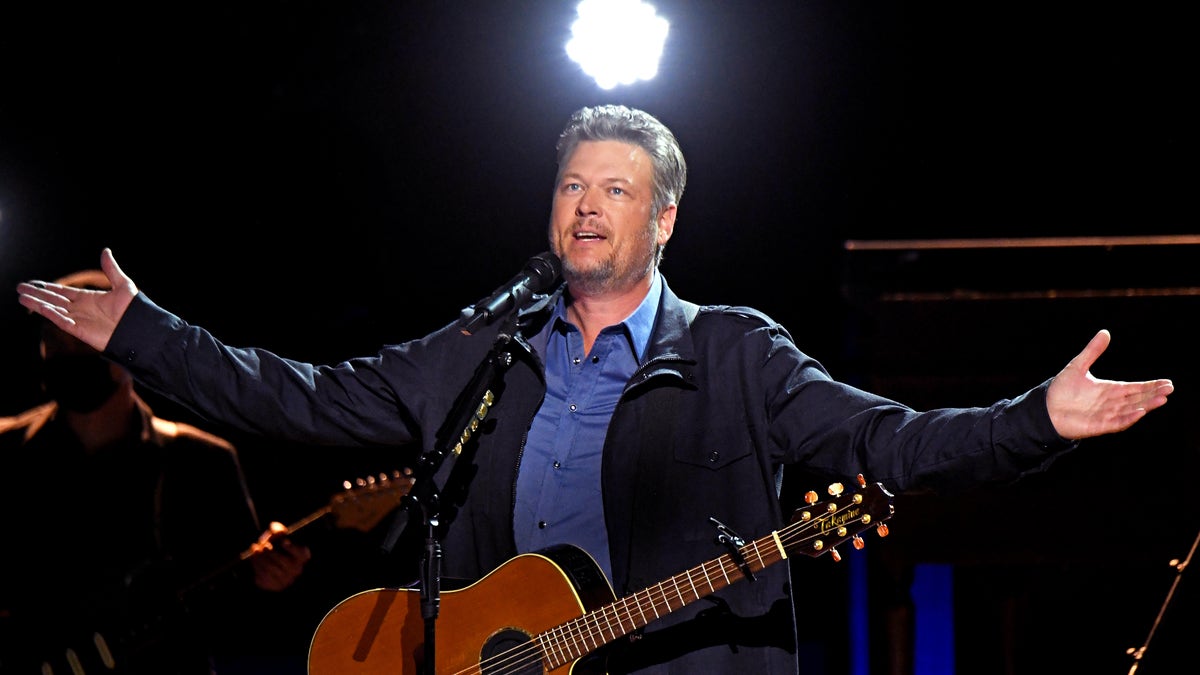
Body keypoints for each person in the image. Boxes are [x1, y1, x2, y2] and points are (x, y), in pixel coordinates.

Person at [15, 105, 1173, 674]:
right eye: (571, 184)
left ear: (663, 220)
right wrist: (150, 335)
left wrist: (1036, 421)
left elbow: (895, 445)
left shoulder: (736, 354)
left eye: (614, 189)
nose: (584, 204)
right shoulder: (483, 345)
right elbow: (305, 400)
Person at [1, 269, 313, 675]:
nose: (64, 355)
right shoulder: (6, 451)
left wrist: (273, 580)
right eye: (52, 342)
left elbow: (241, 615)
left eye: (78, 340)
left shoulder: (202, 460)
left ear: (122, 347)